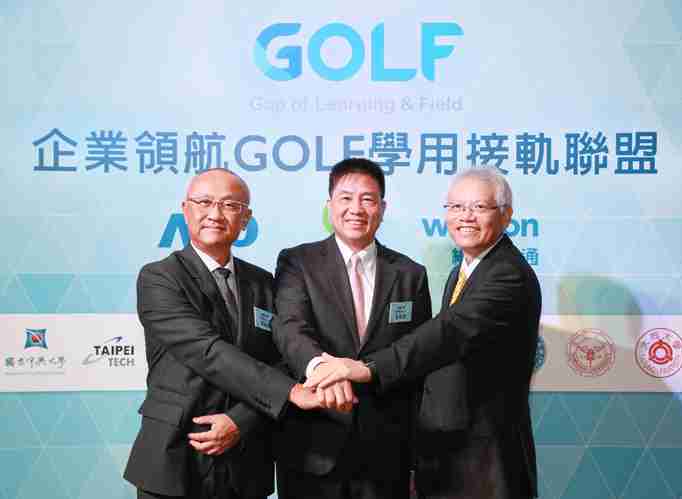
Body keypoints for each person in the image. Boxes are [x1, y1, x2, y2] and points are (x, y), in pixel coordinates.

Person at [306, 168, 541, 499]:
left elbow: (448, 332)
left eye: (479, 207)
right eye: (456, 207)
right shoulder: (464, 271)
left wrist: (366, 367)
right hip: (447, 457)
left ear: (506, 215)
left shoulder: (507, 274)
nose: (466, 217)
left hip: (487, 462)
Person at [124, 169, 322, 499]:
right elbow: (207, 351)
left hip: (246, 460)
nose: (215, 214)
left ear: (245, 219)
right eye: (204, 202)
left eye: (229, 205)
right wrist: (290, 391)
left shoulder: (264, 283)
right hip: (175, 456)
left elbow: (284, 358)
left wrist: (240, 421)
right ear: (185, 209)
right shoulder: (160, 278)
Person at [272, 158, 432, 499]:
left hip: (387, 451)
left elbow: (416, 358)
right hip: (313, 445)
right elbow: (290, 328)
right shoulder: (298, 262)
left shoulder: (410, 274)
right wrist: (323, 369)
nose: (356, 209)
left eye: (367, 199)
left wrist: (417, 457)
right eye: (345, 198)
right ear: (330, 206)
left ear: (382, 208)